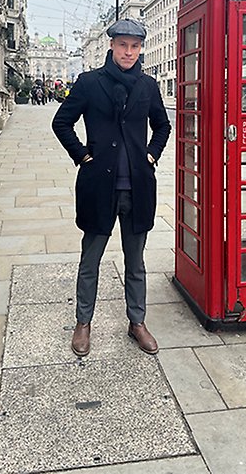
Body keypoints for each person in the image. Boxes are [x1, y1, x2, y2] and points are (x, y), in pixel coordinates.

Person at [52, 18, 171, 357]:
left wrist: (150, 156)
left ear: (140, 49)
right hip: (98, 186)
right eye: (123, 45)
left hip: (137, 187)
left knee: (136, 263)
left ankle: (137, 322)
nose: (129, 52)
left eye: (134, 46)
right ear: (112, 46)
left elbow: (163, 126)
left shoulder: (148, 86)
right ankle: (83, 323)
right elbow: (61, 122)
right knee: (90, 260)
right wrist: (82, 155)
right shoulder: (90, 83)